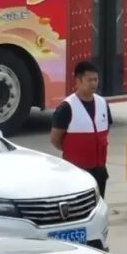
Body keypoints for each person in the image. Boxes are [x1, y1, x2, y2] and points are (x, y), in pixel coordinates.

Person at [50, 60, 113, 197]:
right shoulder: (67, 107)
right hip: (76, 171)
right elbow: (55, 139)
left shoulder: (102, 103)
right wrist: (74, 150)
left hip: (99, 170)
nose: (94, 83)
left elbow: (106, 131)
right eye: (89, 80)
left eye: (96, 79)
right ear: (78, 81)